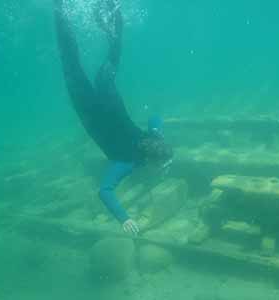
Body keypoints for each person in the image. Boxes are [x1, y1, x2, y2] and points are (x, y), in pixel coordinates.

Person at [53, 0, 173, 235]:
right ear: (150, 161)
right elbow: (105, 190)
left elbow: (155, 117)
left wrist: (160, 134)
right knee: (70, 61)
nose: (166, 168)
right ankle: (61, 9)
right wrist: (124, 218)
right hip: (87, 107)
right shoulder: (125, 162)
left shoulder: (152, 138)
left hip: (107, 93)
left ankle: (112, 10)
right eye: (165, 164)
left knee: (113, 53)